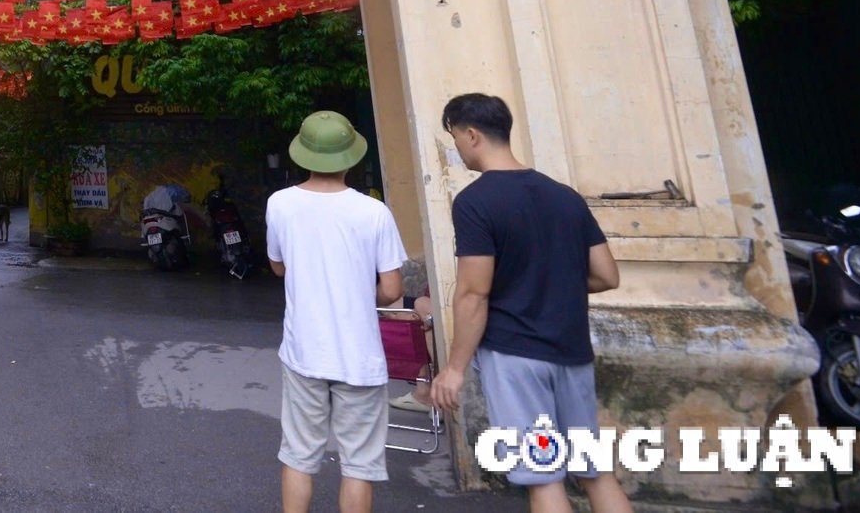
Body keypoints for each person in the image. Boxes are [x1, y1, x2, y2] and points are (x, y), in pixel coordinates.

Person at [429, 94, 631, 513]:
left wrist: (453, 368)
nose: (458, 149)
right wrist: (552, 282)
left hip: (515, 356)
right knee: (594, 470)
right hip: (572, 351)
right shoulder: (565, 196)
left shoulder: (475, 202)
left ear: (472, 135)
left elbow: (473, 292)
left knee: (543, 478)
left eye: (455, 139)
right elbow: (607, 275)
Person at [266, 111, 408, 513]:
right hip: (360, 358)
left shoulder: (280, 204)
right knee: (359, 465)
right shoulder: (373, 212)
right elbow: (393, 290)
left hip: (303, 354)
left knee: (298, 454)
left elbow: (278, 266)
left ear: (303, 155)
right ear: (350, 157)